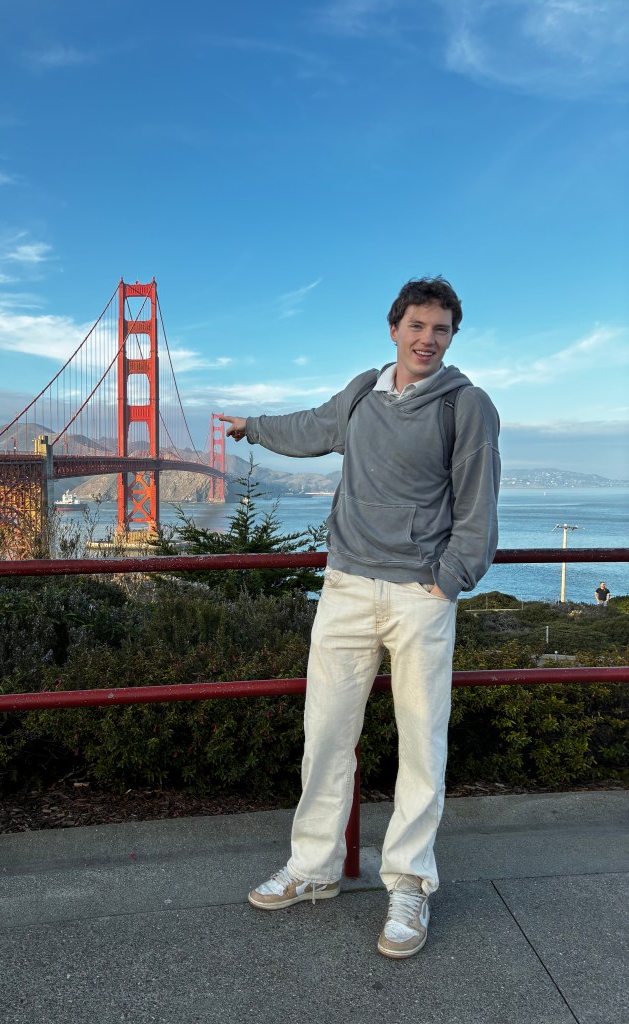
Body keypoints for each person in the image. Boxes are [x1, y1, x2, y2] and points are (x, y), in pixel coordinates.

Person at [219, 276, 500, 960]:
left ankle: (408, 884)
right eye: (417, 326)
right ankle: (314, 869)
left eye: (440, 329)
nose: (427, 338)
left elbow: (477, 508)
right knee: (325, 735)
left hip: (418, 599)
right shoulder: (363, 390)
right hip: (345, 586)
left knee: (421, 746)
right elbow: (313, 427)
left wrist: (446, 582)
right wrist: (252, 428)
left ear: (451, 337)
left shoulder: (468, 406)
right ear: (394, 329)